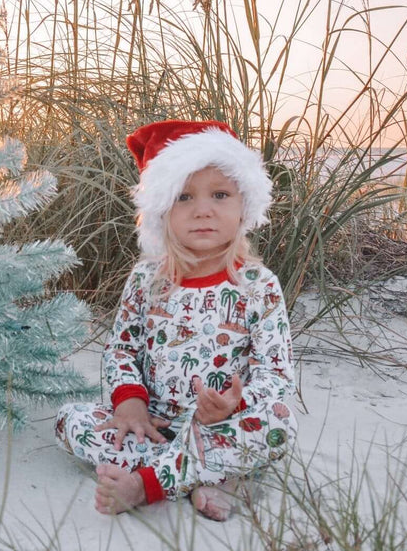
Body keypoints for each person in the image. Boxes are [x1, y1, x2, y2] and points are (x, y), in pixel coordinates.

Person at [55, 120, 296, 522]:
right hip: (155, 424)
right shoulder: (147, 279)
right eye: (184, 197)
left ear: (244, 205)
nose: (203, 209)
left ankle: (147, 483)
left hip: (223, 424)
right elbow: (122, 348)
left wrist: (235, 404)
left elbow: (277, 373)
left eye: (220, 194)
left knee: (278, 424)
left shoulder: (258, 285)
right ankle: (203, 473)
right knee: (71, 420)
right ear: (161, 210)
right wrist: (130, 405)